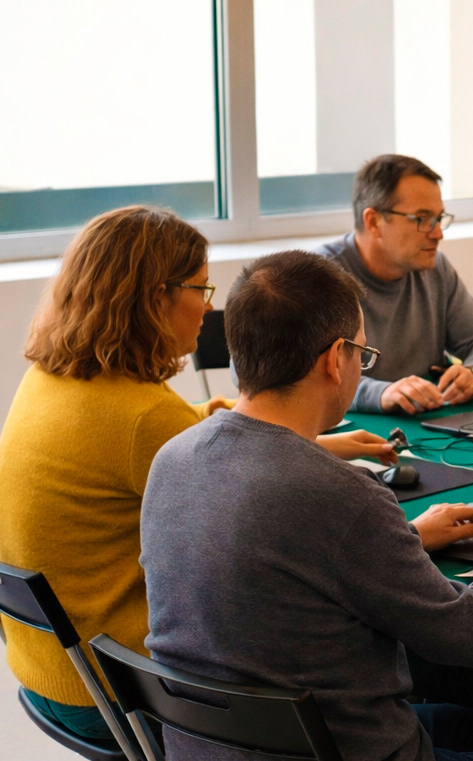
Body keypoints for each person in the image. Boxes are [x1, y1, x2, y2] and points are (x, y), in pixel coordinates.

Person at [140, 250, 473, 761]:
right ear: (335, 358)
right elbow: (468, 636)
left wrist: (408, 536)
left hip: (211, 749)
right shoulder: (342, 494)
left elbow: (288, 560)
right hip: (335, 749)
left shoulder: (171, 458)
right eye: (363, 352)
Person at [0, 207, 396, 741]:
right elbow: (266, 517)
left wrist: (317, 440)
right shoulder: (141, 418)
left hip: (50, 673)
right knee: (328, 642)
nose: (210, 308)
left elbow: (184, 431)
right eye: (202, 289)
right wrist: (409, 535)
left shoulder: (54, 380)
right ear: (155, 297)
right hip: (123, 695)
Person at [316, 154, 473, 415]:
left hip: (428, 421)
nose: (438, 234)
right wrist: (381, 393)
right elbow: (301, 379)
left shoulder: (435, 268)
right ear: (374, 222)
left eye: (439, 219)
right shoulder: (321, 276)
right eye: (421, 219)